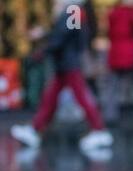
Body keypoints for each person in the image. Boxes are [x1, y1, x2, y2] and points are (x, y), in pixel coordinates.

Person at [11, 0, 113, 152]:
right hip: (66, 63)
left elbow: (64, 36)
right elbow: (66, 33)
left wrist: (43, 50)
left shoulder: (73, 10)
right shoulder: (73, 11)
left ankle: (99, 130)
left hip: (69, 63)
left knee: (81, 97)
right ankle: (34, 129)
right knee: (51, 98)